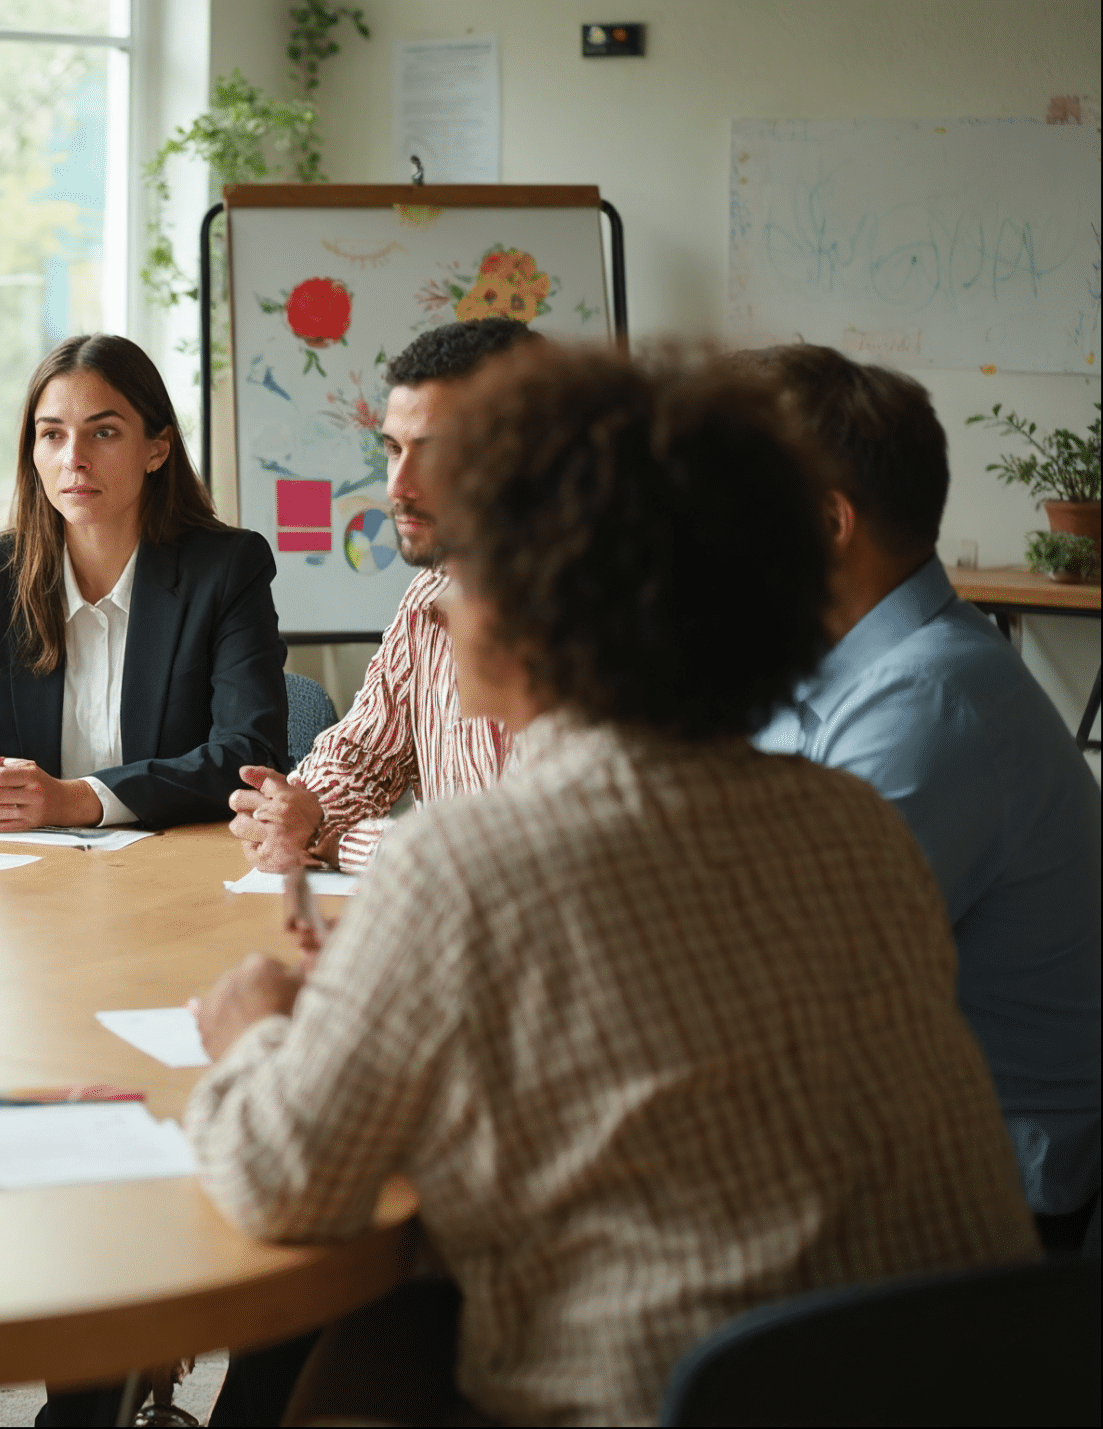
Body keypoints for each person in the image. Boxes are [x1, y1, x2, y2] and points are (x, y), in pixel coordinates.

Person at [185, 344, 1036, 1425]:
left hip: (674, 1395)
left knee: (345, 1354)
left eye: (474, 564)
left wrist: (256, 1028)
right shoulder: (852, 823)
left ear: (547, 603)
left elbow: (281, 1181)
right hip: (959, 1380)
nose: (442, 603)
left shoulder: (466, 861)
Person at [742, 344, 1101, 1249]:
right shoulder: (826, 671)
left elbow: (769, 992)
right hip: (866, 1138)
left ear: (828, 523)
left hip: (984, 1216)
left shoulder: (928, 704)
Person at [0, 333, 286, 829]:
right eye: (52, 434)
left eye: (103, 433)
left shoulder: (227, 568)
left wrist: (77, 800)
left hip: (175, 873)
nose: (74, 459)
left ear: (157, 449)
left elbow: (251, 758)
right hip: (29, 879)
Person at [231, 317, 540, 873]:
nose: (398, 486)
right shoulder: (431, 597)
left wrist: (331, 839)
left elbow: (516, 853)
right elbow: (363, 756)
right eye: (393, 449)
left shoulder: (606, 614)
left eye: (435, 452)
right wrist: (300, 810)